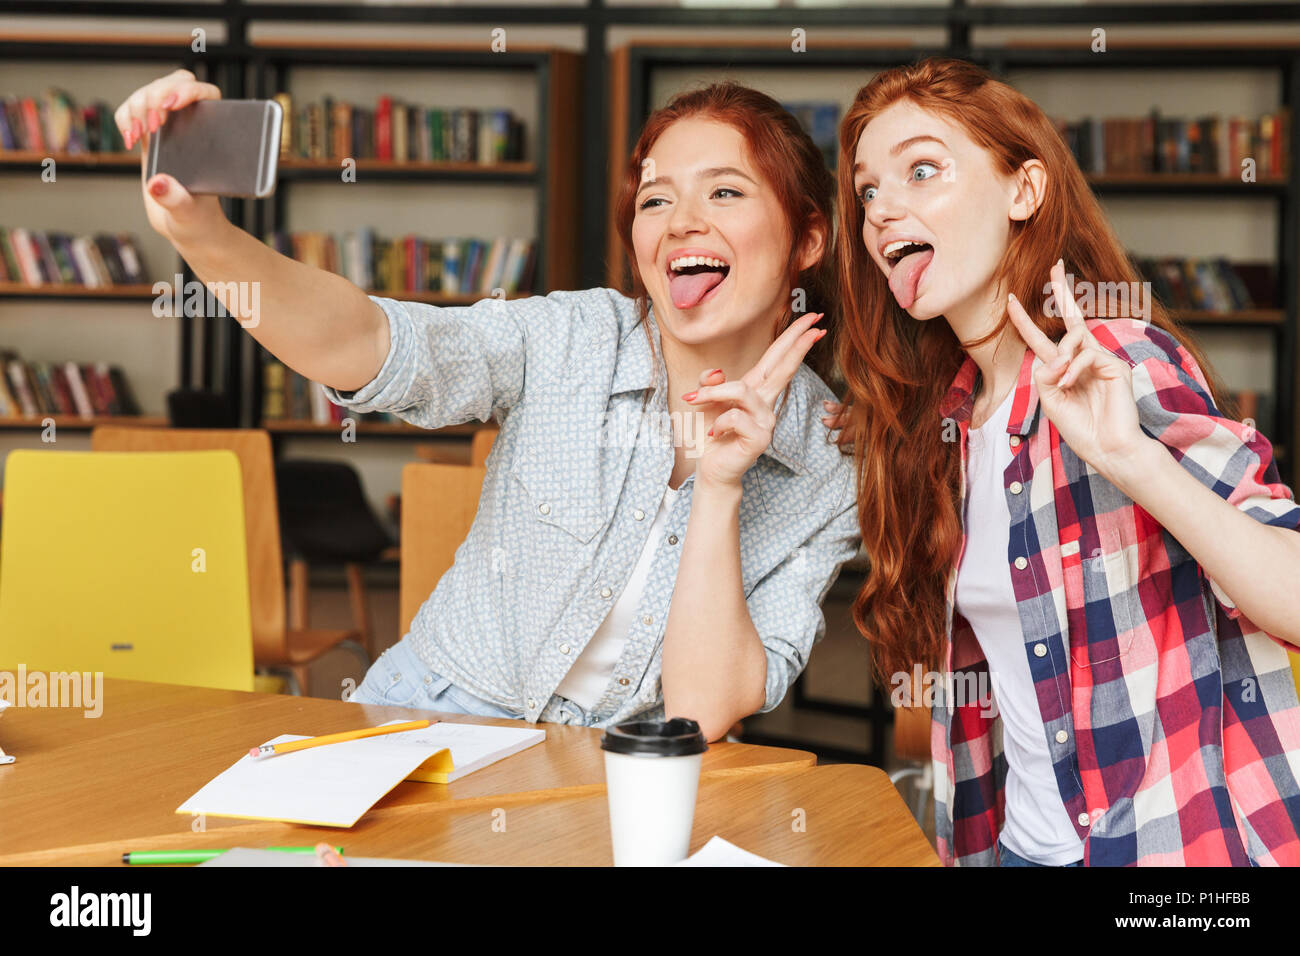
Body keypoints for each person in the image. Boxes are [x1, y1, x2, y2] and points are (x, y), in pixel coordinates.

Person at [117, 72, 859, 742]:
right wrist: (202, 232)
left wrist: (723, 484)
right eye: (656, 198)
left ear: (809, 240)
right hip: (422, 718)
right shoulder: (569, 337)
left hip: (611, 775)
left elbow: (700, 711)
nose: (681, 222)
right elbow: (371, 339)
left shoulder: (827, 469)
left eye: (724, 192)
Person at [824, 57, 1300, 865]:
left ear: (1024, 191)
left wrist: (1131, 461)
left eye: (923, 170)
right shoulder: (944, 421)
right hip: (1020, 849)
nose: (882, 210)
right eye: (868, 191)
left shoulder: (1116, 361)